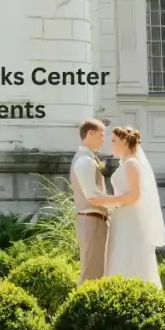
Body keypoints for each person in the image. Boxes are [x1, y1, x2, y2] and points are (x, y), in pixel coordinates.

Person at [87, 126, 165, 287]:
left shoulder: (132, 164)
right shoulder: (125, 163)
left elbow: (135, 196)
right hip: (121, 216)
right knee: (119, 255)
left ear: (124, 142)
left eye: (114, 141)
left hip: (130, 218)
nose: (111, 144)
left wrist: (106, 200)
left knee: (129, 256)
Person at [70, 118, 110, 284]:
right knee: (91, 273)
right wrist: (117, 205)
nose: (104, 140)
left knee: (98, 270)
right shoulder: (84, 161)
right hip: (91, 219)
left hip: (94, 219)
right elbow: (92, 196)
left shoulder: (89, 159)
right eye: (101, 135)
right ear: (90, 133)